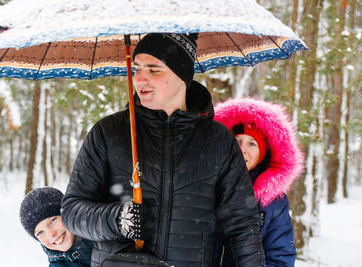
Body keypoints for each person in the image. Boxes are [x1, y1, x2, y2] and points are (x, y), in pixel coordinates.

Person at [61, 33, 265, 267]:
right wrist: (117, 219)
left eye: (153, 69)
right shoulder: (109, 132)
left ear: (182, 76)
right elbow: (72, 212)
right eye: (136, 69)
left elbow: (242, 225)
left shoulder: (219, 141)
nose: (140, 79)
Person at [214, 98, 304, 267]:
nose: (242, 149)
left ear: (262, 154)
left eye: (252, 144)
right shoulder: (205, 185)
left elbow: (280, 257)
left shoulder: (272, 202)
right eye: (236, 140)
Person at [19, 187, 93, 267]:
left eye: (53, 220)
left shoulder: (100, 229)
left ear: (67, 214)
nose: (51, 234)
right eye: (40, 232)